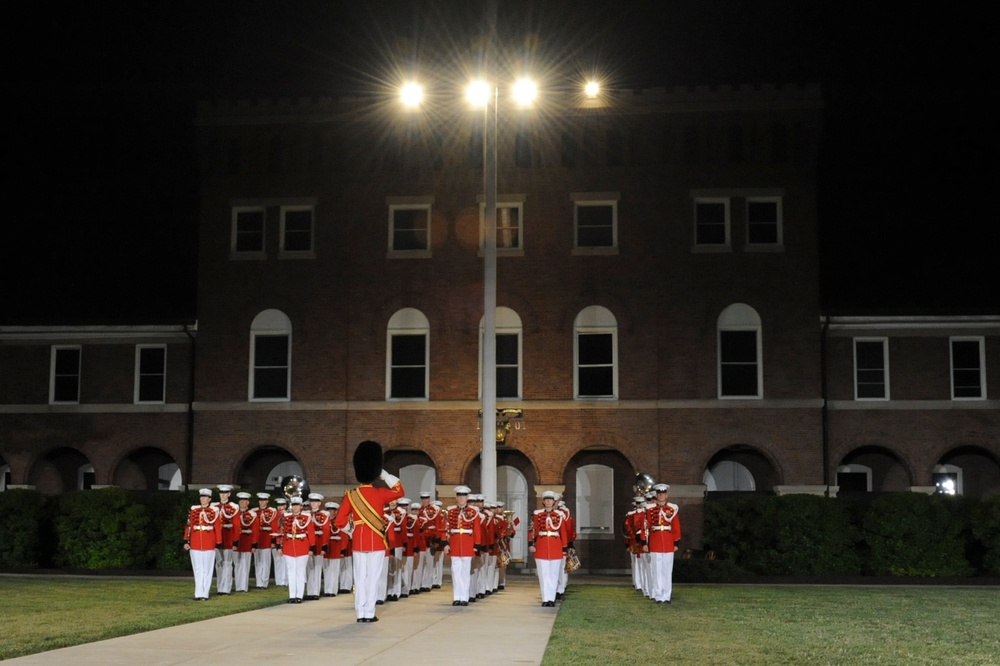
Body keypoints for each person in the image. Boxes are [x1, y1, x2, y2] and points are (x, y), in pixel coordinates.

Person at [333, 440, 405, 623]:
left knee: (360, 578)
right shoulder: (380, 493)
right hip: (377, 542)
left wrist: (352, 531)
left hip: (358, 542)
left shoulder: (351, 495)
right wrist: (385, 474)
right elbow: (399, 490)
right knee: (373, 579)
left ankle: (360, 613)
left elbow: (339, 521)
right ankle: (369, 612)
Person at [442, 485, 481, 606]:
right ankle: (456, 596)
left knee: (465, 572)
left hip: (468, 543)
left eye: (463, 496)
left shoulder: (473, 512)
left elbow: (477, 530)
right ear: (456, 498)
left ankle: (464, 597)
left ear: (467, 497)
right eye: (459, 496)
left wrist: (477, 545)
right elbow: (445, 528)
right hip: (454, 544)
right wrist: (445, 543)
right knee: (455, 572)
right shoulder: (450, 512)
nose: (461, 498)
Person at [529, 490, 569, 607]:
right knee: (543, 574)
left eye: (550, 500)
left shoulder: (559, 515)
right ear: (543, 502)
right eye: (546, 500)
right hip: (541, 546)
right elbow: (534, 531)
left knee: (553, 574)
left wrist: (564, 547)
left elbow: (563, 533)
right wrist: (531, 544)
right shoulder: (538, 515)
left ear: (554, 502)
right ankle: (545, 598)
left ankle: (551, 598)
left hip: (556, 545)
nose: (548, 502)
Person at [643, 483, 681, 604]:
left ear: (667, 495)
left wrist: (676, 542)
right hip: (655, 542)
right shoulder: (650, 510)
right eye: (659, 494)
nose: (661, 496)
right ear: (656, 495)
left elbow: (676, 526)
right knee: (656, 569)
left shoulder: (672, 509)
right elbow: (646, 527)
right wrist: (644, 542)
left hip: (668, 542)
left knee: (666, 570)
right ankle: (659, 595)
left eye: (663, 494)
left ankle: (666, 595)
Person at [183, 488, 222, 601]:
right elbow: (189, 526)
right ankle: (198, 593)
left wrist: (218, 542)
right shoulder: (194, 510)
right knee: (197, 569)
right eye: (201, 497)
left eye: (205, 497)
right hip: (195, 542)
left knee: (207, 569)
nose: (203, 499)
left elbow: (217, 528)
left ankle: (205, 593)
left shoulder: (214, 511)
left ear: (209, 499)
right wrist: (186, 540)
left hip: (209, 541)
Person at [277, 496, 314, 603]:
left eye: (297, 505)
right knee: (290, 571)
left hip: (302, 546)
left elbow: (311, 533)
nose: (295, 507)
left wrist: (312, 547)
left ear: (301, 506)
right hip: (288, 546)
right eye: (293, 505)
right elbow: (282, 532)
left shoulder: (306, 517)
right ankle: (292, 595)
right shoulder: (286, 517)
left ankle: (299, 595)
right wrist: (280, 546)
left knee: (300, 572)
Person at [213, 484, 239, 595]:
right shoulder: (214, 507)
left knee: (228, 563)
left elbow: (236, 525)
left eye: (225, 493)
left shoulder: (233, 507)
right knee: (218, 563)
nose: (223, 495)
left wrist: (235, 541)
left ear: (229, 494)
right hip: (217, 538)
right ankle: (220, 586)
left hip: (228, 536)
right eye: (221, 493)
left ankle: (226, 588)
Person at [305, 493, 330, 601]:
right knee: (309, 569)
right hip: (308, 544)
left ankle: (315, 592)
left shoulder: (324, 515)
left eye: (315, 502)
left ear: (319, 503)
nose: (313, 504)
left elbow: (326, 531)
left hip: (319, 543)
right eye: (312, 502)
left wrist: (324, 546)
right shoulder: (306, 514)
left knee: (317, 568)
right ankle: (310, 591)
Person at [233, 491, 258, 592]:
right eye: (240, 501)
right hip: (237, 541)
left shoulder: (252, 514)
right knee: (237, 564)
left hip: (247, 540)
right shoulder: (234, 513)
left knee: (245, 564)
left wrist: (254, 544)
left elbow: (255, 530)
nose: (242, 503)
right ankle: (238, 586)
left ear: (248, 502)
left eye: (244, 501)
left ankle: (244, 586)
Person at [254, 492, 277, 589]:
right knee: (257, 562)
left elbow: (274, 528)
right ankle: (259, 582)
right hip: (258, 538)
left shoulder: (272, 512)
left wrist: (273, 541)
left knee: (266, 562)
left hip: (267, 538)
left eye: (264, 500)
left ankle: (264, 582)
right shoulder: (254, 512)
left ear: (267, 501)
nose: (261, 502)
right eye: (260, 500)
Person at [322, 501, 345, 597]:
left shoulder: (339, 522)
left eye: (332, 510)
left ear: (336, 512)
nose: (330, 512)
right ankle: (327, 589)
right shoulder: (324, 521)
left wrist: (343, 549)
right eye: (329, 510)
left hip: (336, 546)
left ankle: (333, 590)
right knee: (326, 569)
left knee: (334, 569)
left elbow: (344, 536)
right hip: (327, 546)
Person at [272, 497, 288, 586]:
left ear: (285, 506)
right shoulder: (275, 516)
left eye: (282, 505)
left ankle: (285, 581)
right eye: (278, 505)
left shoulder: (289, 515)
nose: (280, 507)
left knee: (285, 562)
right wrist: (274, 542)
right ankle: (279, 581)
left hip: (286, 541)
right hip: (277, 540)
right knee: (278, 562)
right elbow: (273, 530)